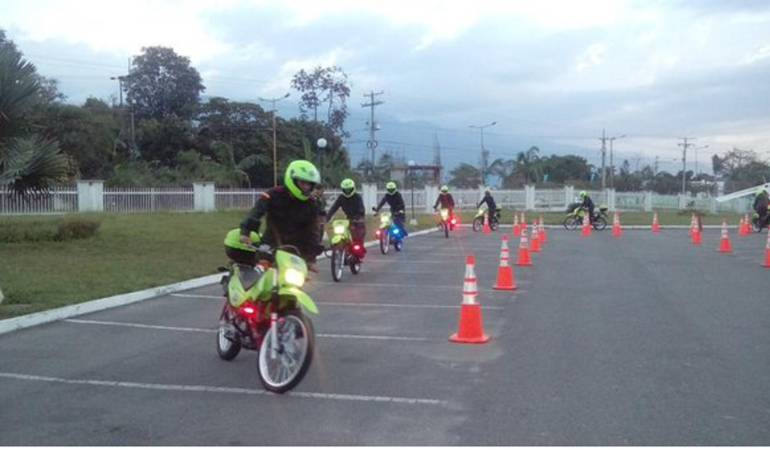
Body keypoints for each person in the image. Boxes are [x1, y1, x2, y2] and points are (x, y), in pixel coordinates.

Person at [238, 160, 324, 271]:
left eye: (309, 184)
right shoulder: (272, 195)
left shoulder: (312, 204)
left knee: (302, 280)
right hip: (271, 245)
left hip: (296, 251)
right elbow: (256, 213)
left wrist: (311, 258)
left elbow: (313, 231)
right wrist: (245, 232)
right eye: (303, 183)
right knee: (262, 269)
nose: (306, 187)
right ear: (292, 179)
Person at [326, 178, 367, 257]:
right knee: (343, 233)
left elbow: (361, 208)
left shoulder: (357, 197)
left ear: (353, 188)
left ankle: (359, 252)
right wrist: (327, 217)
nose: (347, 191)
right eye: (345, 190)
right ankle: (343, 248)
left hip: (358, 219)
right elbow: (334, 207)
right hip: (348, 218)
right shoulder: (341, 197)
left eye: (349, 189)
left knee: (358, 235)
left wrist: (358, 217)